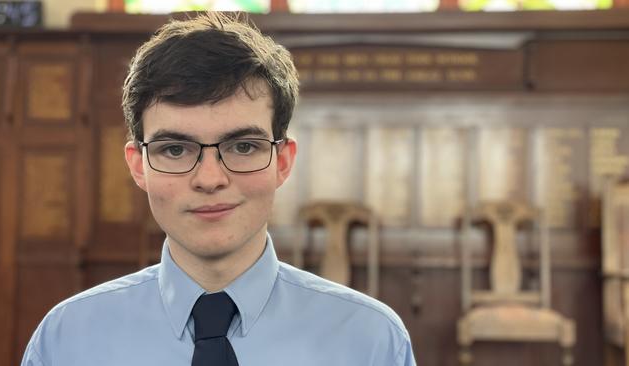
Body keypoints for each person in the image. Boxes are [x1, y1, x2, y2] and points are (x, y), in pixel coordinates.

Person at [21, 12, 416, 366]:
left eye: (243, 146)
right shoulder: (67, 340)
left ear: (283, 161)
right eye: (175, 149)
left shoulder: (370, 341)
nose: (209, 179)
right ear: (138, 165)